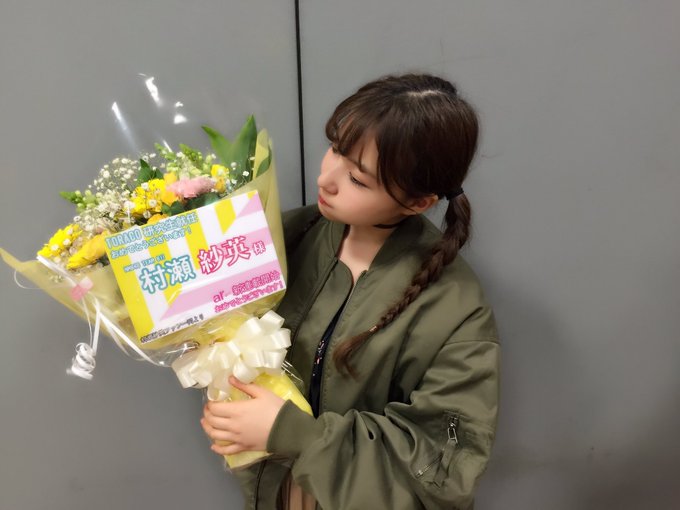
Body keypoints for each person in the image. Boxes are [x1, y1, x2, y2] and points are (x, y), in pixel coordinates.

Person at [201, 73, 500, 510]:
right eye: (336, 149)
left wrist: (290, 433)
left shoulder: (455, 306)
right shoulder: (284, 238)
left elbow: (444, 471)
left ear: (418, 202)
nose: (326, 178)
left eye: (358, 179)